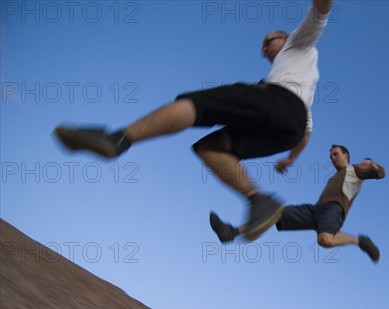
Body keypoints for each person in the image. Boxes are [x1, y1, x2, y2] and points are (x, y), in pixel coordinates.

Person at [53, 0, 334, 241]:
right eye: (263, 48)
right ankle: (258, 199)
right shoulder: (304, 82)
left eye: (268, 41)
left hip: (274, 100)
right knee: (210, 149)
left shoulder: (298, 43)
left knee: (195, 105)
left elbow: (320, 12)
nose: (264, 50)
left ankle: (118, 139)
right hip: (289, 128)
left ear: (285, 39)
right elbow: (305, 132)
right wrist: (291, 160)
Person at [209, 145, 386, 263]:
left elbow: (380, 173)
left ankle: (360, 241)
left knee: (324, 239)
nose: (332, 158)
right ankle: (230, 232)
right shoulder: (342, 173)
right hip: (316, 209)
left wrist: (370, 165)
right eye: (331, 156)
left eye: (336, 154)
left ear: (346, 156)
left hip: (334, 209)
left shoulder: (355, 171)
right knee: (273, 213)